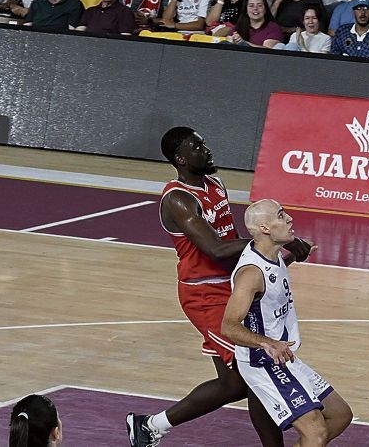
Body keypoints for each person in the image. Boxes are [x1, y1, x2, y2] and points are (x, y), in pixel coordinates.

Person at [126, 127, 313, 447]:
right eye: (197, 147)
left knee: (243, 378)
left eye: (204, 143)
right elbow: (214, 248)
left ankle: (150, 426)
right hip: (204, 294)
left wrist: (266, 259)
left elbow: (232, 240)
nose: (206, 149)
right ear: (181, 159)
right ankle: (153, 425)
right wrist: (276, 240)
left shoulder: (215, 183)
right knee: (249, 379)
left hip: (230, 283)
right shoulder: (179, 200)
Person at [222, 199, 353, 446]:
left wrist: (292, 258)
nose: (290, 219)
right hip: (263, 361)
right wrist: (268, 343)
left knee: (340, 415)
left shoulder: (273, 254)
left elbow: (270, 286)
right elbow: (228, 326)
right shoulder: (251, 273)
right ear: (264, 228)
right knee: (315, 432)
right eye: (281, 216)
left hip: (282, 355)